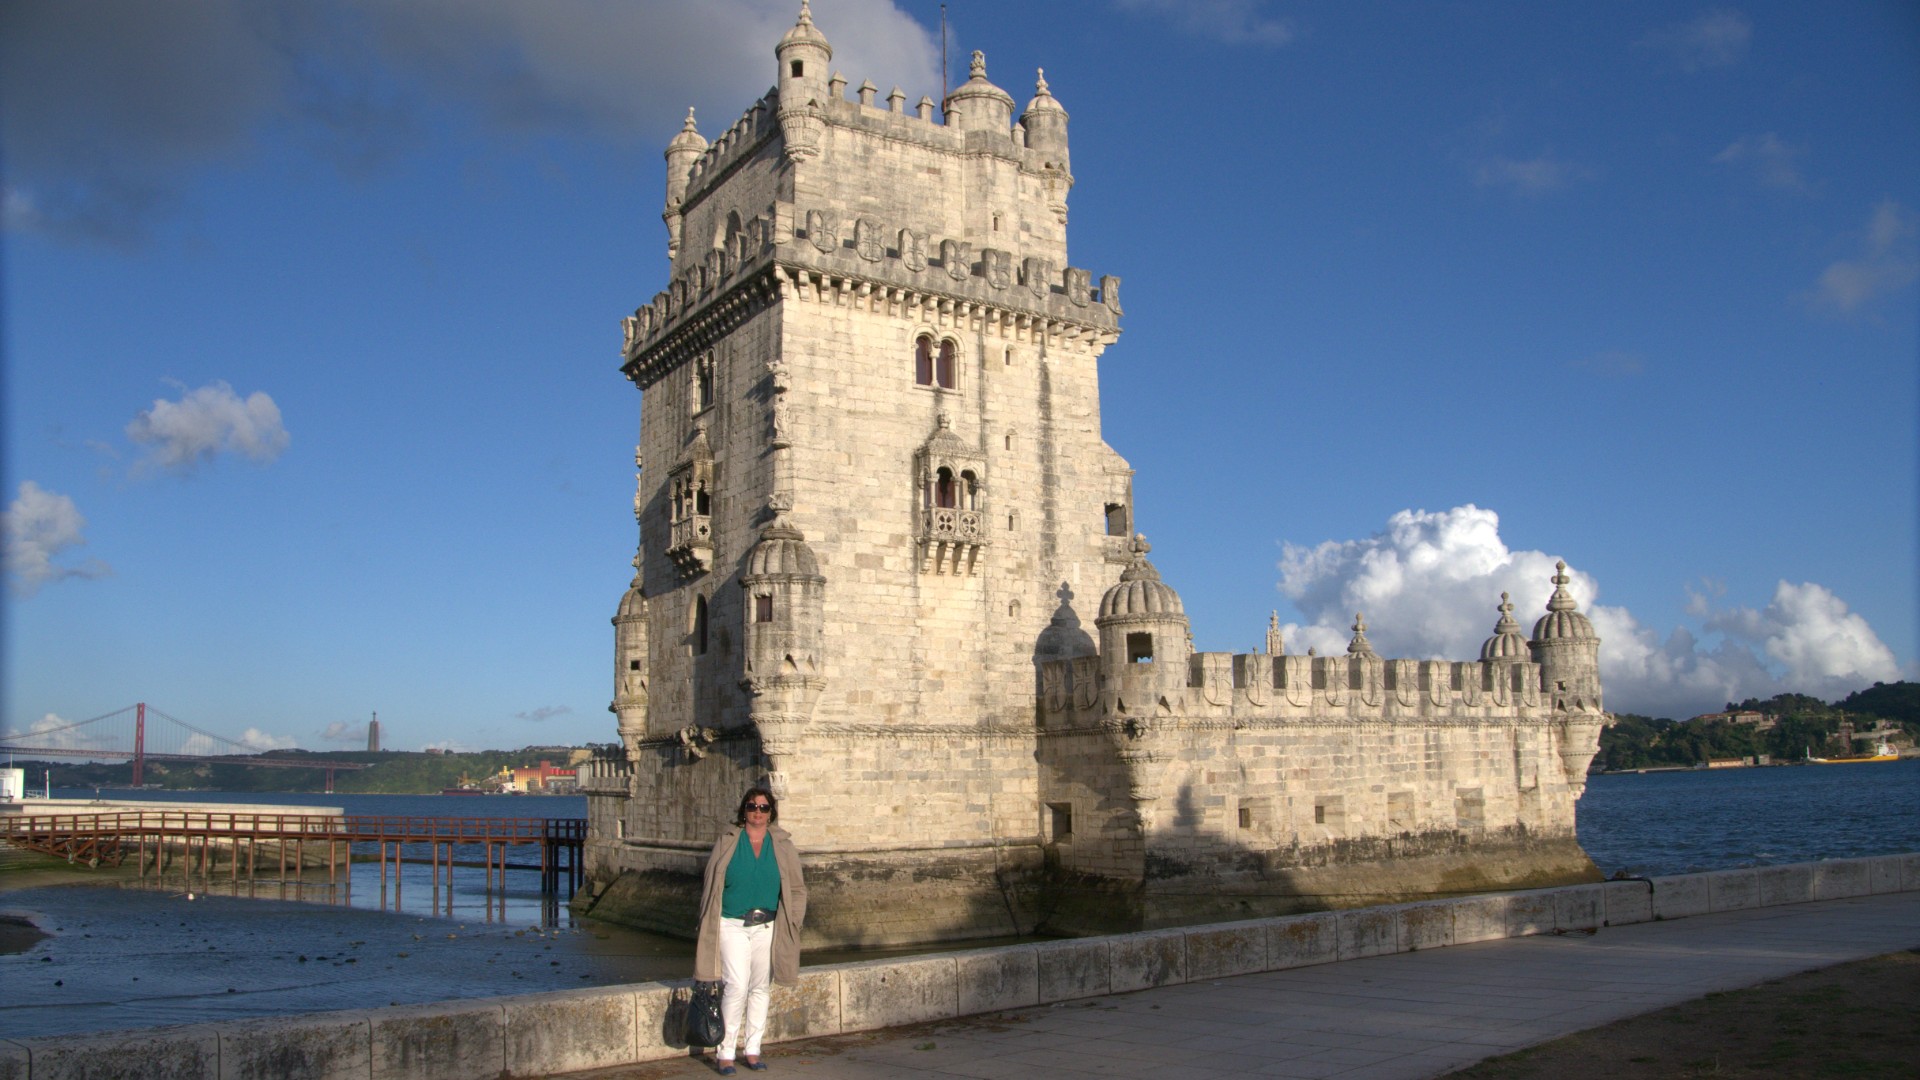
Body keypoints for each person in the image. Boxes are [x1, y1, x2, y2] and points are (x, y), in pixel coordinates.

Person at [694, 785, 807, 1074]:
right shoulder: (728, 841)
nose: (758, 812)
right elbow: (710, 882)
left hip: (768, 926)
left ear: (771, 813)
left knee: (760, 988)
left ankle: (753, 1050)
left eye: (763, 807)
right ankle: (726, 1052)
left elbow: (797, 888)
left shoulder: (783, 845)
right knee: (735, 986)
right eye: (752, 806)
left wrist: (793, 920)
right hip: (731, 923)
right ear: (743, 811)